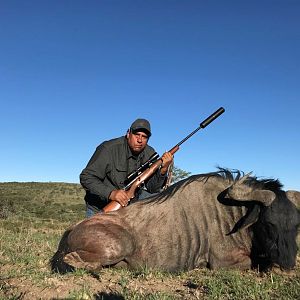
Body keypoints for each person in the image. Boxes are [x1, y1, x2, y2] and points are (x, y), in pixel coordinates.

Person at [80, 118, 174, 217]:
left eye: (144, 137)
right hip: (99, 208)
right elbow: (86, 177)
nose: (140, 140)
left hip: (127, 209)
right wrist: (111, 193)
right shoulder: (108, 149)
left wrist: (163, 169)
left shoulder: (150, 154)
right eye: (137, 135)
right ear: (128, 133)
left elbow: (153, 188)